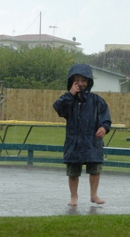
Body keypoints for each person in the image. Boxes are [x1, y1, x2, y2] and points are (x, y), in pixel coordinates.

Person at [53, 63, 112, 206]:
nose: (80, 84)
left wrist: (104, 127)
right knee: (73, 171)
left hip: (92, 141)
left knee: (95, 169)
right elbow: (58, 108)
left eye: (83, 80)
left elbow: (106, 118)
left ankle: (94, 195)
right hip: (74, 141)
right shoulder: (68, 100)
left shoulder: (97, 101)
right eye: (77, 80)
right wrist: (70, 94)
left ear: (89, 82)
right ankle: (74, 197)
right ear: (71, 82)